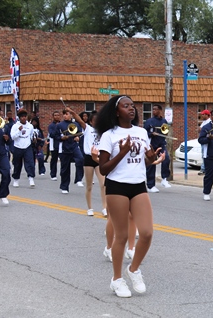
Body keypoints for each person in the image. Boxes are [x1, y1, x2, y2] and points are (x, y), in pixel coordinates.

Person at [95, 95, 158, 298]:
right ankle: (116, 280)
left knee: (147, 233)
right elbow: (103, 169)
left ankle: (133, 270)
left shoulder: (141, 132)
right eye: (126, 106)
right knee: (121, 236)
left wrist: (151, 159)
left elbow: (144, 161)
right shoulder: (109, 135)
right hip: (117, 187)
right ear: (116, 111)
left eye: (132, 106)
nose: (131, 109)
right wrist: (121, 153)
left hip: (138, 185)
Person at [67, 108, 107, 217]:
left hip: (99, 158)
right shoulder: (88, 128)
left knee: (103, 184)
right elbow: (79, 120)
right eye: (95, 120)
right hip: (89, 158)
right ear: (91, 121)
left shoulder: (103, 130)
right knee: (89, 185)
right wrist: (72, 112)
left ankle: (104, 207)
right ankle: (90, 208)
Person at [144, 104, 172, 193]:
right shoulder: (149, 121)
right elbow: (144, 133)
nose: (154, 111)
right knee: (151, 164)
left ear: (160, 110)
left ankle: (164, 179)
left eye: (156, 109)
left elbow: (166, 132)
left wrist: (165, 133)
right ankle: (150, 185)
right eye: (153, 109)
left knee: (166, 159)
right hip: (151, 146)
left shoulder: (164, 121)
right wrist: (151, 134)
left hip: (161, 144)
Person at [56, 109, 84, 193]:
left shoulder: (76, 124)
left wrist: (78, 138)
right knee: (65, 168)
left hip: (74, 146)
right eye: (64, 114)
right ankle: (64, 187)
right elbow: (55, 136)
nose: (65, 116)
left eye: (67, 114)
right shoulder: (60, 125)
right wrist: (61, 138)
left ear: (71, 115)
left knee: (80, 159)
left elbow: (80, 133)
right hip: (65, 148)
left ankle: (78, 179)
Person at [10, 109, 36, 188]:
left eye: (25, 116)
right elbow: (13, 137)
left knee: (30, 163)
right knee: (17, 164)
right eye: (22, 117)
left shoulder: (30, 126)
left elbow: (31, 135)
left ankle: (31, 178)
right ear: (19, 118)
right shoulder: (15, 126)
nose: (24, 118)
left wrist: (33, 139)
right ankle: (16, 180)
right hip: (18, 146)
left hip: (27, 146)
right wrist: (19, 130)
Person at [47, 111, 61, 181]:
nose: (57, 116)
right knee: (54, 160)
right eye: (55, 115)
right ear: (53, 116)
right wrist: (57, 127)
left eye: (58, 115)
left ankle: (62, 174)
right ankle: (53, 174)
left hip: (62, 144)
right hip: (54, 145)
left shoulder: (62, 124)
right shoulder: (51, 126)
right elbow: (52, 134)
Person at [198, 109, 211, 175]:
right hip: (203, 140)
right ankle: (203, 169)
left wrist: (201, 129)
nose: (202, 115)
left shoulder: (209, 122)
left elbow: (204, 130)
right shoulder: (204, 122)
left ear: (207, 115)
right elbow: (200, 129)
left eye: (203, 114)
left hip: (206, 141)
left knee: (205, 155)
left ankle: (204, 169)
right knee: (203, 155)